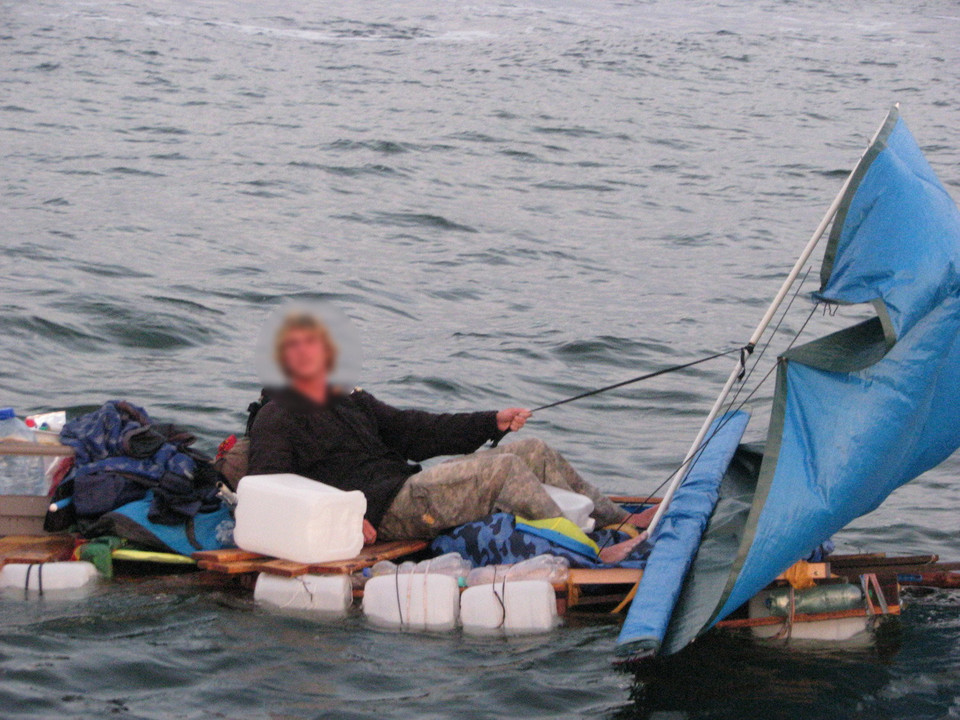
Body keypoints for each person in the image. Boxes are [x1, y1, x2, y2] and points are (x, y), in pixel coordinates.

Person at [247, 312, 654, 563]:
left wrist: (490, 422)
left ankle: (620, 521)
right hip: (381, 513)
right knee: (503, 471)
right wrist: (350, 519)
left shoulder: (352, 401)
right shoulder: (277, 416)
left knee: (533, 451)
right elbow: (272, 487)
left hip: (406, 487)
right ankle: (590, 551)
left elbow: (419, 431)